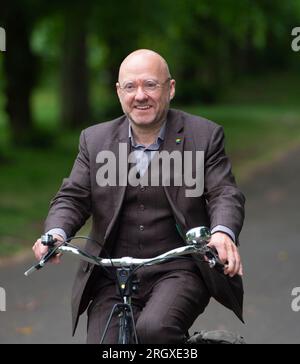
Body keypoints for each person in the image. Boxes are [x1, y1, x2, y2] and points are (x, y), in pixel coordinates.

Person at [32, 49, 245, 344]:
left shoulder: (204, 135)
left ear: (170, 88)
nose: (140, 95)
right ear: (119, 92)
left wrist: (222, 233)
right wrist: (56, 233)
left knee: (154, 331)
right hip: (112, 273)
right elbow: (73, 197)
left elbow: (224, 192)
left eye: (150, 85)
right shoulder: (94, 141)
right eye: (130, 87)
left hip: (180, 268)